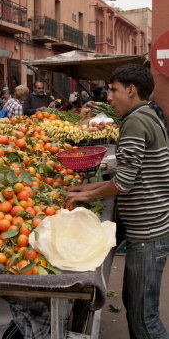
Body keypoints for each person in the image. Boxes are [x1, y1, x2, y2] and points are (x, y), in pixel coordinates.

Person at [66, 64, 169, 339]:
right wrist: (86, 186)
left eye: (113, 90)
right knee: (136, 307)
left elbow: (123, 183)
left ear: (131, 90)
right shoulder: (149, 114)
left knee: (144, 319)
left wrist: (86, 195)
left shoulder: (135, 121)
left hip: (148, 232)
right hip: (151, 228)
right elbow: (127, 174)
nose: (108, 97)